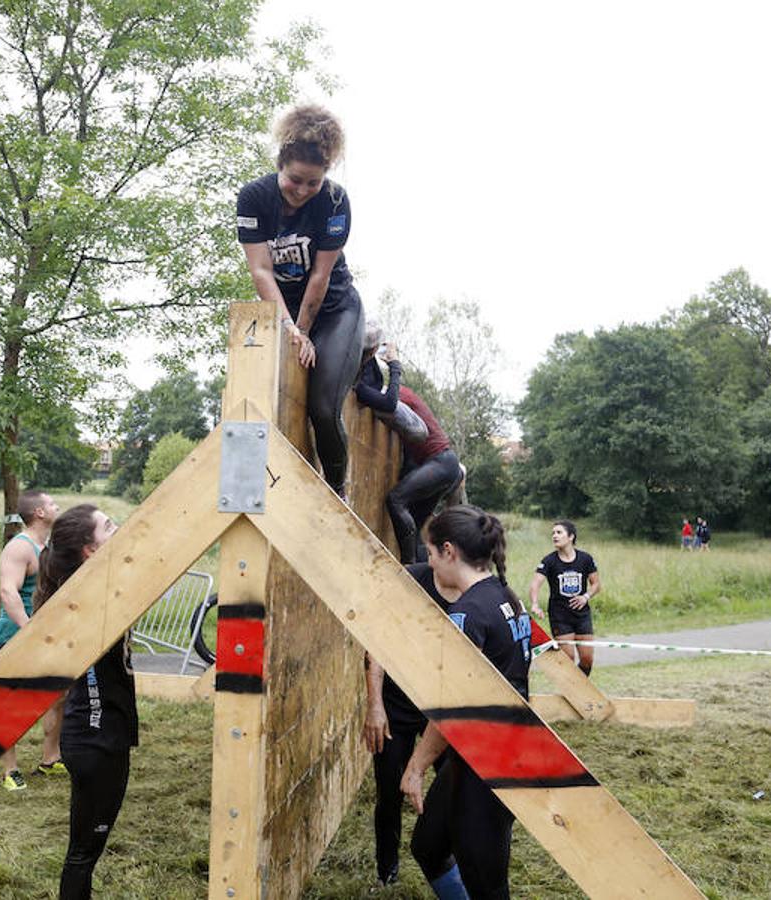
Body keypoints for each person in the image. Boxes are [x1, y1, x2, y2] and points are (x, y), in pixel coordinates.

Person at [400, 506, 531, 900]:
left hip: (492, 760)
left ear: (449, 551)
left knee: (486, 881)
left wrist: (416, 766)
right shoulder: (504, 594)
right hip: (476, 752)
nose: (429, 563)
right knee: (428, 846)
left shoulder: (467, 614)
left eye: (430, 553)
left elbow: (451, 709)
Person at [237, 104, 365, 498]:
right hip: (285, 312)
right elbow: (260, 270)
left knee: (323, 408)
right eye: (296, 180)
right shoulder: (254, 198)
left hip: (334, 308)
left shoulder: (334, 201)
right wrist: (290, 328)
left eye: (313, 182)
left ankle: (337, 490)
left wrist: (304, 329)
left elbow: (320, 276)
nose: (303, 191)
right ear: (281, 163)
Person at [34, 505, 133, 900]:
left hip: (108, 733)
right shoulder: (87, 601)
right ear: (90, 551)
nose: (119, 528)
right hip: (95, 738)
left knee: (88, 850)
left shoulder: (103, 586)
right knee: (82, 853)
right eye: (109, 526)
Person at [363, 563, 454, 886]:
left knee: (454, 787)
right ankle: (387, 873)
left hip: (444, 708)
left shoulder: (472, 589)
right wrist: (375, 705)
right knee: (389, 792)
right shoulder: (411, 580)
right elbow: (377, 645)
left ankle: (451, 862)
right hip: (397, 706)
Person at [354, 334, 463, 563]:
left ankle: (408, 566)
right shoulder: (402, 413)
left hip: (441, 462)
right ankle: (423, 575)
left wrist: (394, 365)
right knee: (414, 521)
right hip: (444, 465)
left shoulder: (400, 396)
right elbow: (410, 458)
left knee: (395, 501)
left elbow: (388, 402)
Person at [0, 489, 65, 791]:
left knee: (57, 697)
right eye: (51, 503)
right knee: (13, 705)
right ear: (38, 512)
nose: (56, 506)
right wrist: (28, 631)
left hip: (48, 636)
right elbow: (8, 592)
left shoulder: (50, 545)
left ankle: (50, 759)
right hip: (17, 636)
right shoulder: (19, 548)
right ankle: (10, 770)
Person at [529, 519, 601, 676]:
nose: (555, 536)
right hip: (560, 616)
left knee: (587, 659)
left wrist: (585, 596)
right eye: (553, 533)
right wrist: (535, 604)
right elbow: (535, 584)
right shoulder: (549, 561)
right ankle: (574, 693)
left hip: (582, 615)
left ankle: (581, 688)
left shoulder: (585, 559)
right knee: (568, 658)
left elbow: (596, 584)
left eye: (559, 532)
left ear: (571, 537)